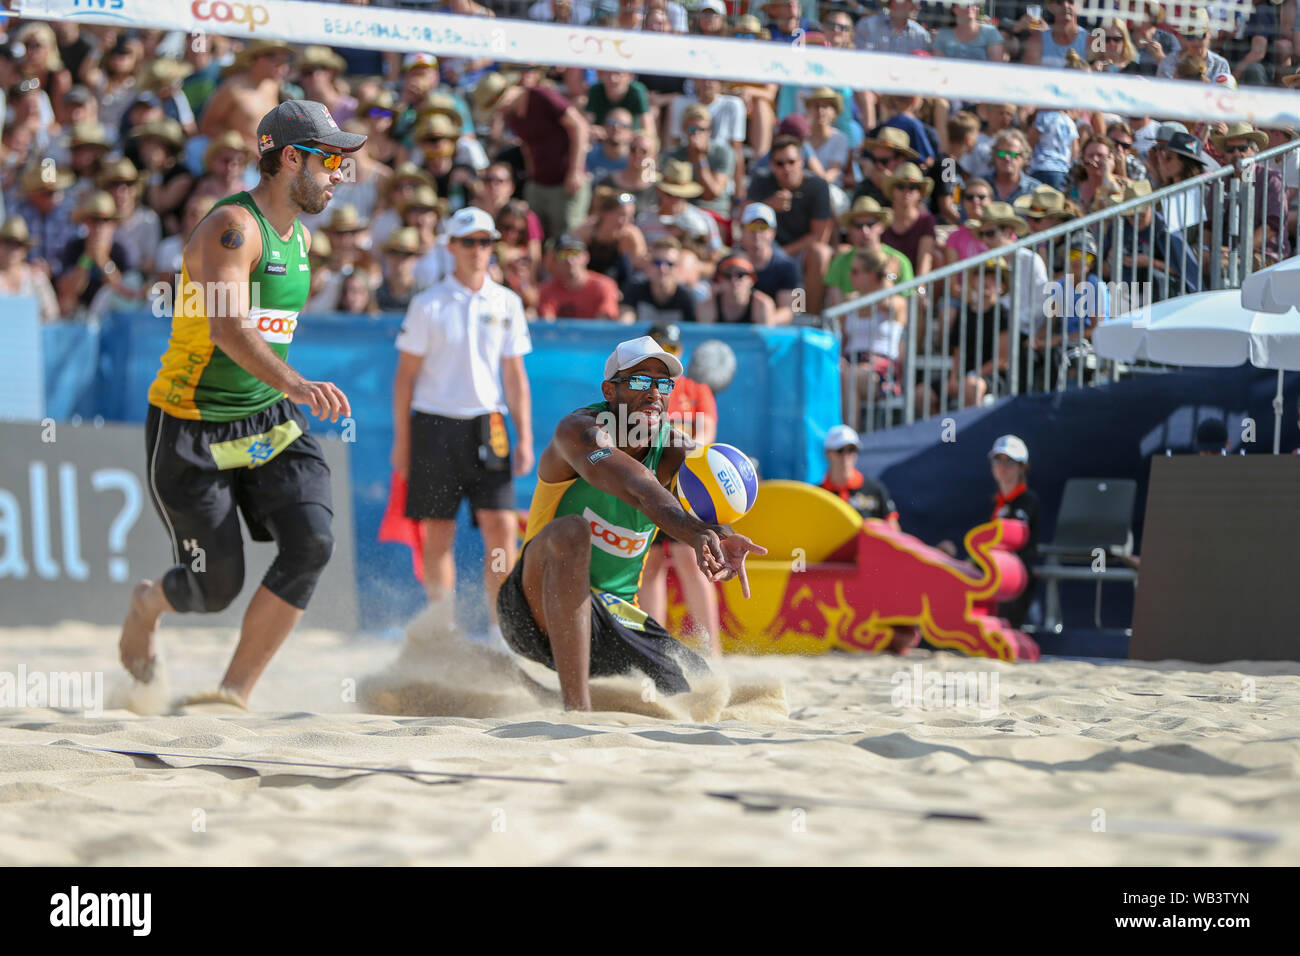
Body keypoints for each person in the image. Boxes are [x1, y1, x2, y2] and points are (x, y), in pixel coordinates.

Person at [118, 100, 364, 708]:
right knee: (214, 587)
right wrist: (299, 385)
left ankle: (232, 694)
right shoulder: (234, 226)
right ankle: (149, 603)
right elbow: (226, 330)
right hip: (191, 426)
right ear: (290, 158)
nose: (340, 172)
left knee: (313, 544)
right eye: (330, 158)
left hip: (267, 422)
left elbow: (260, 333)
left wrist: (285, 393)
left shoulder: (301, 236)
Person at [497, 335, 766, 709]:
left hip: (612, 616)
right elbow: (639, 488)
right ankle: (578, 711)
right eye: (641, 380)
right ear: (610, 390)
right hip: (530, 608)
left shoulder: (676, 449)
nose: (654, 392)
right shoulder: (579, 433)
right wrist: (696, 534)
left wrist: (722, 533)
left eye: (663, 383)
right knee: (571, 532)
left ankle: (545, 691)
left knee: (699, 691)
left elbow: (709, 499)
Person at [391, 206, 535, 651]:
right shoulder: (429, 303)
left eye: (487, 242)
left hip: (489, 424)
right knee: (439, 529)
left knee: (501, 527)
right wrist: (403, 441)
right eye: (470, 242)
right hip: (434, 424)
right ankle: (444, 627)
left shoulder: (506, 302)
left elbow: (514, 376)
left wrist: (525, 435)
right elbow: (405, 378)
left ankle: (499, 630)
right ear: (451, 247)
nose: (479, 251)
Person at [636, 323, 723, 655]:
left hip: (685, 487)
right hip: (650, 484)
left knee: (692, 558)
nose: (666, 355)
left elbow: (705, 440)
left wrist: (668, 441)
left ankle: (711, 651)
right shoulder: (642, 391)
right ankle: (655, 650)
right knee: (651, 562)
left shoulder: (696, 390)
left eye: (671, 350)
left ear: (680, 353)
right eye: (660, 349)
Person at [937, 434, 1039, 628]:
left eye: (1009, 461)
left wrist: (970, 563)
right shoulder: (996, 503)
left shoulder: (1027, 501)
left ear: (1022, 467)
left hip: (1013, 578)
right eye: (997, 460)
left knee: (999, 629)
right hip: (991, 573)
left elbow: (1009, 540)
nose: (1002, 466)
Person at [819, 424, 900, 528]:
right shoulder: (819, 494)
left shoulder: (875, 490)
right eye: (840, 450)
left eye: (851, 450)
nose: (846, 456)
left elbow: (893, 531)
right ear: (827, 453)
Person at [537, 233, 620, 320]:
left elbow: (604, 324)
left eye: (575, 252)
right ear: (556, 260)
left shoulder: (604, 286)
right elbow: (548, 325)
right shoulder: (547, 289)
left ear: (586, 257)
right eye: (563, 254)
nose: (569, 259)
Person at [620, 235, 697, 323]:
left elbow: (695, 332)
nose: (663, 269)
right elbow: (624, 324)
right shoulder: (634, 289)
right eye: (657, 262)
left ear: (677, 267)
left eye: (670, 264)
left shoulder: (687, 297)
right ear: (648, 265)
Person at [695, 251, 776, 324]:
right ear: (719, 280)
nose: (734, 280)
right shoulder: (707, 307)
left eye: (741, 275)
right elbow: (705, 339)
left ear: (752, 279)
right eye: (727, 275)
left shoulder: (761, 305)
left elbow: (764, 340)